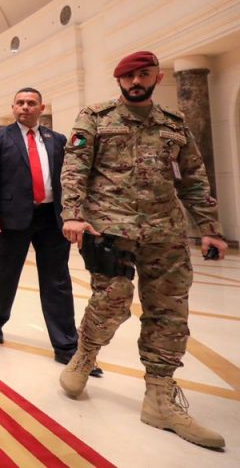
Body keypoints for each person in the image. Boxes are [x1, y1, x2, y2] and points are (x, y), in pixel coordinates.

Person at [58, 51, 228, 449]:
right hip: (110, 227)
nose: (136, 81)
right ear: (119, 80)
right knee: (113, 300)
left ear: (157, 77)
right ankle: (86, 353)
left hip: (165, 231)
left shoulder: (174, 124)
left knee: (169, 311)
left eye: (144, 74)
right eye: (129, 76)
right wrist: (73, 214)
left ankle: (160, 396)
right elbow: (75, 169)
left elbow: (193, 178)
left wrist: (209, 229)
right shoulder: (95, 118)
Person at [0, 88, 101, 376]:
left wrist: (74, 213)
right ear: (13, 107)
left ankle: (66, 346)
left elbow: (68, 178)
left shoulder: (56, 139)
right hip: (13, 217)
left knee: (57, 280)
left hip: (51, 218)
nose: (25, 107)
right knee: (5, 271)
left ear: (41, 108)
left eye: (31, 103)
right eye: (20, 103)